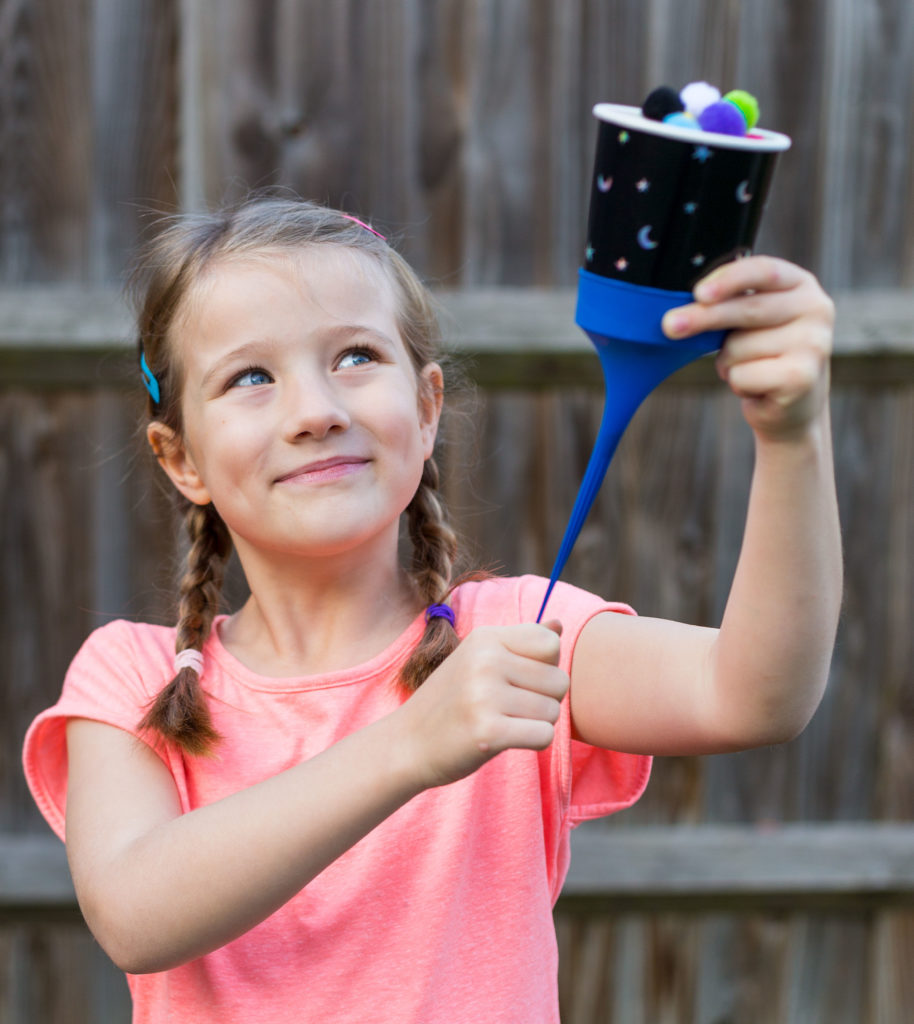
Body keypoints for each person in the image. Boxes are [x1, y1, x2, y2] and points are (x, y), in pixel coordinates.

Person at [23, 196, 842, 1024]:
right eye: (251, 377)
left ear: (425, 409)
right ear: (180, 457)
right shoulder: (130, 676)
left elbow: (755, 694)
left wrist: (792, 439)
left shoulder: (514, 639)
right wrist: (414, 742)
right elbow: (133, 914)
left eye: (354, 356)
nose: (316, 411)